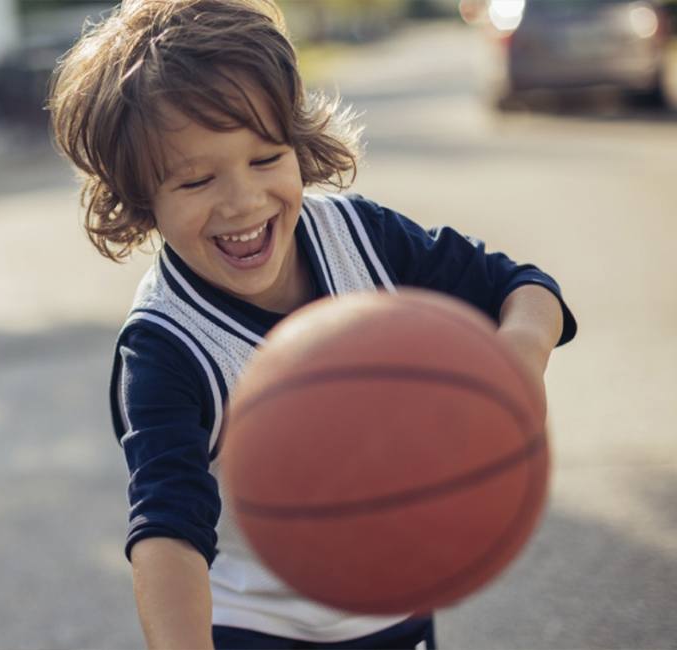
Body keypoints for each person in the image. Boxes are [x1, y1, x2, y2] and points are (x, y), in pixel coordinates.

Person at [47, 1, 577, 648]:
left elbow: (522, 286)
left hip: (395, 597)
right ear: (141, 201)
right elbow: (166, 534)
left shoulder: (360, 236)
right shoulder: (166, 349)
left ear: (298, 147)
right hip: (260, 626)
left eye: (266, 159)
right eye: (196, 181)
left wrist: (515, 359)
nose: (242, 200)